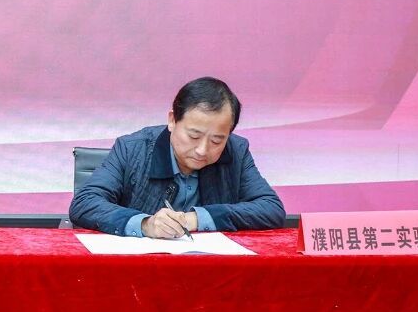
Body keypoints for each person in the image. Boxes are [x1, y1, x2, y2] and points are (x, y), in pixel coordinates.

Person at [69, 76, 284, 238]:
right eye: (194, 136)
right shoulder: (131, 149)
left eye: (217, 141)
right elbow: (85, 203)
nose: (202, 150)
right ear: (172, 120)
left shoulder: (237, 150)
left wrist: (197, 218)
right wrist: (145, 224)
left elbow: (270, 208)